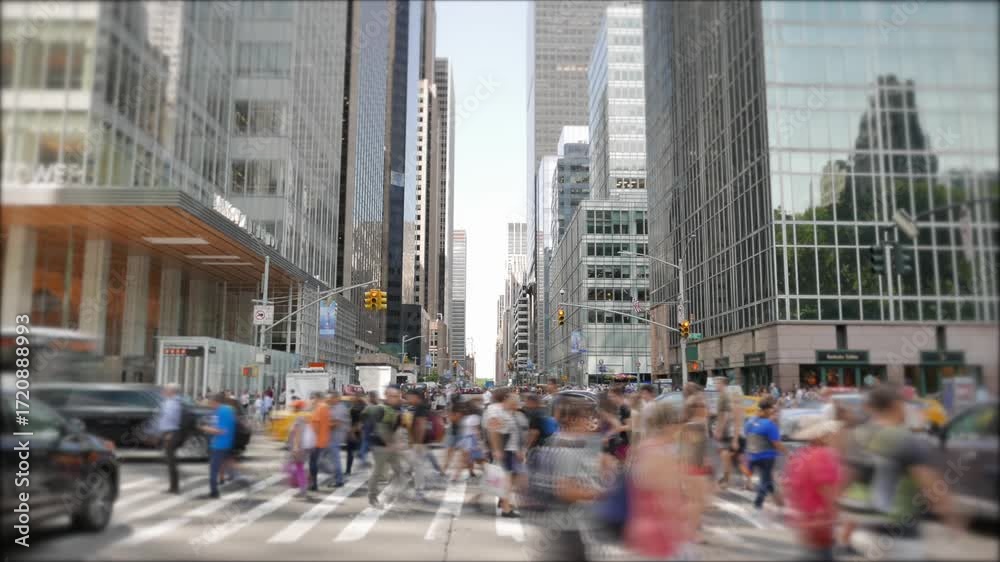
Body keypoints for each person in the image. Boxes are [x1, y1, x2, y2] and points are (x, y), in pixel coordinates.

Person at [846, 384, 964, 560]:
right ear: (896, 405)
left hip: (864, 531)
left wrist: (847, 529)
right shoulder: (905, 440)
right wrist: (954, 519)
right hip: (898, 535)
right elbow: (932, 486)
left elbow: (850, 482)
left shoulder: (857, 435)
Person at [525, 396, 604, 561]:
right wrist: (600, 494)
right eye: (589, 418)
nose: (594, 422)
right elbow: (566, 489)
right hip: (568, 526)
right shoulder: (569, 447)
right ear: (575, 420)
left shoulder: (554, 440)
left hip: (558, 523)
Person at [626, 400, 702, 560]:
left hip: (648, 524)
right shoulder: (660, 453)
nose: (681, 427)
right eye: (679, 423)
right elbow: (667, 496)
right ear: (669, 425)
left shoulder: (645, 447)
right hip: (664, 529)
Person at [784, 418, 844, 561]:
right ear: (821, 436)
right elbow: (827, 489)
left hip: (806, 524)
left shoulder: (801, 456)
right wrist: (836, 514)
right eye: (830, 433)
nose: (835, 435)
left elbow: (788, 487)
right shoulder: (823, 456)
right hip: (820, 523)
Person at [366, 386, 406, 509]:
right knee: (377, 472)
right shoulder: (381, 409)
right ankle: (372, 498)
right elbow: (381, 429)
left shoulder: (397, 409)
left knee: (399, 472)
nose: (396, 398)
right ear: (386, 396)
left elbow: (398, 427)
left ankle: (390, 495)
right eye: (393, 396)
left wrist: (399, 442)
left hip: (391, 446)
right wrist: (390, 443)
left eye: (397, 396)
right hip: (380, 446)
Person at [483, 387, 521, 517]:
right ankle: (506, 509)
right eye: (512, 396)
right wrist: (497, 449)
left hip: (509, 448)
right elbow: (493, 430)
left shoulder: (508, 409)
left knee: (510, 478)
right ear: (505, 397)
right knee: (507, 479)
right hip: (503, 448)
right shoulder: (495, 409)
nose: (515, 398)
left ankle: (504, 501)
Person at [745, 396, 786, 514]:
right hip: (766, 456)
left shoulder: (750, 421)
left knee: (768, 479)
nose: (774, 410)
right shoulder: (769, 424)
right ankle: (758, 501)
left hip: (752, 455)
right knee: (766, 480)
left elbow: (747, 435)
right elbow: (776, 443)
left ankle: (778, 501)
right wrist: (788, 453)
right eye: (773, 408)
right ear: (768, 409)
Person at [200, 392, 237, 499]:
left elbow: (222, 431)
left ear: (215, 402)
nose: (209, 405)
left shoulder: (223, 411)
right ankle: (239, 480)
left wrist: (205, 428)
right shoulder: (223, 410)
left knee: (213, 470)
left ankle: (214, 492)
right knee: (226, 467)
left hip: (220, 445)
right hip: (223, 444)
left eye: (210, 402)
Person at [154, 383, 185, 494]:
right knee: (170, 460)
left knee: (171, 461)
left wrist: (169, 434)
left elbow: (172, 419)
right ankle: (173, 486)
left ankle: (174, 487)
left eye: (166, 390)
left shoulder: (173, 403)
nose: (163, 391)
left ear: (171, 391)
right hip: (168, 432)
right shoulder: (170, 401)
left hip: (170, 433)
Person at [714, 376, 740, 489]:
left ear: (723, 384)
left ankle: (726, 479)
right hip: (726, 429)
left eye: (717, 383)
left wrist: (719, 430)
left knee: (725, 455)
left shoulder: (724, 396)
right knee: (725, 455)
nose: (716, 385)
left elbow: (725, 414)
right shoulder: (723, 395)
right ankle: (726, 478)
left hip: (725, 430)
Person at [287, 400, 315, 497]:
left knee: (296, 468)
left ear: (297, 408)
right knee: (298, 467)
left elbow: (298, 434)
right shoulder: (304, 417)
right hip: (303, 447)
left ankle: (303, 486)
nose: (292, 409)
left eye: (294, 407)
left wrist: (296, 447)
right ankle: (304, 484)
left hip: (300, 448)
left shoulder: (299, 418)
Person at [307, 392, 331, 492]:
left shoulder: (319, 408)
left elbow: (315, 426)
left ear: (317, 398)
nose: (311, 401)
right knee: (315, 462)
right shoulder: (326, 408)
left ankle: (313, 484)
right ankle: (313, 483)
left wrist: (310, 439)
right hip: (323, 439)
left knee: (312, 463)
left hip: (316, 441)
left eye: (312, 398)